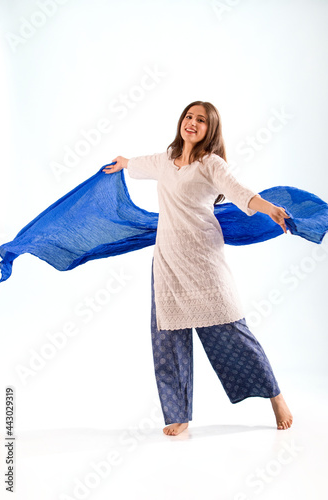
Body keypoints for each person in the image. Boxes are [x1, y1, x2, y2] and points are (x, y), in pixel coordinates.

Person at [103, 100, 293, 436]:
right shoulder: (165, 161)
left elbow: (241, 193)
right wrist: (124, 162)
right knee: (167, 340)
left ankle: (274, 395)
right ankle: (178, 414)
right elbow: (136, 164)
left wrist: (269, 209)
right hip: (167, 262)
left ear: (210, 129)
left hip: (204, 260)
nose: (192, 123)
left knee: (232, 331)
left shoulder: (211, 164)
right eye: (189, 117)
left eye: (201, 120)